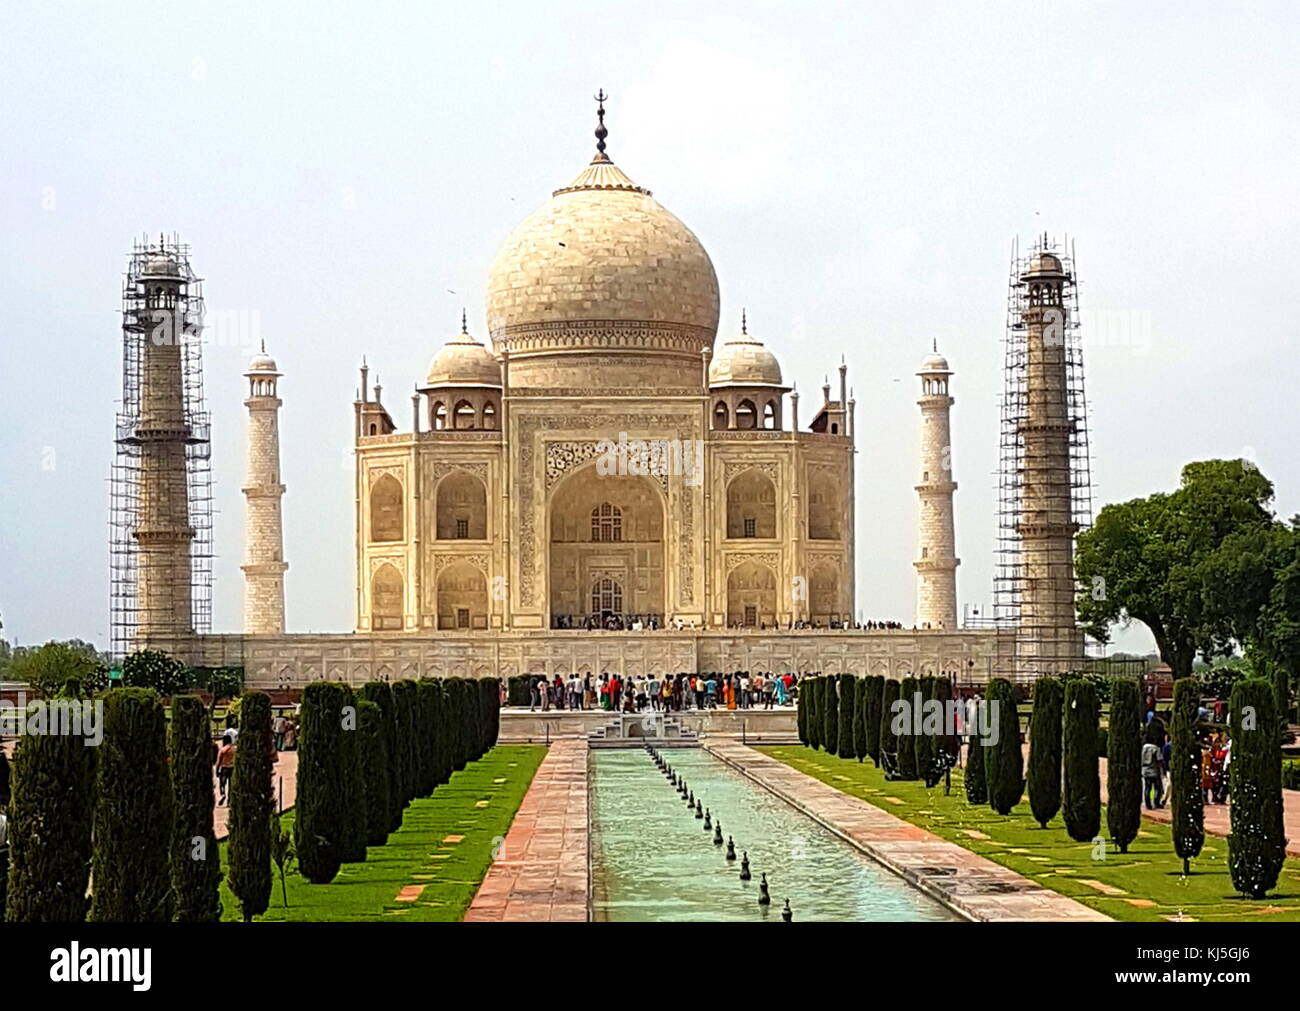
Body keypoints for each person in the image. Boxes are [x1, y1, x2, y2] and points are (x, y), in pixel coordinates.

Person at [1140, 737, 1162, 810]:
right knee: (1157, 787)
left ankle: (1148, 804)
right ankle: (1156, 802)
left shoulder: (1143, 748)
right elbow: (1159, 760)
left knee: (1147, 788)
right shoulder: (1156, 748)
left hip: (1145, 770)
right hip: (1154, 771)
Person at [216, 732, 236, 806]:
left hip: (224, 768)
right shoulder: (234, 749)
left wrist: (217, 770)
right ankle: (229, 801)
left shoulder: (222, 750)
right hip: (232, 768)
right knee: (231, 785)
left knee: (222, 784)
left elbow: (218, 761)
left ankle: (223, 794)